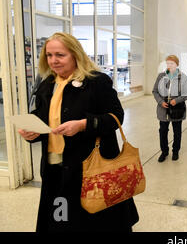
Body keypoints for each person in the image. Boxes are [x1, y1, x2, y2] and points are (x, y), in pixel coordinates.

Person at [18, 32, 139, 232]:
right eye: (49, 55)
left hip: (90, 167)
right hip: (56, 166)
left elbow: (116, 117)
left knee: (94, 219)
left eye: (60, 55)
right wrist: (33, 132)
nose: (53, 61)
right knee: (62, 216)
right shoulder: (47, 85)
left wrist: (83, 124)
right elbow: (42, 118)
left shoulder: (97, 82)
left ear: (75, 54)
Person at [152, 55, 187, 162]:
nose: (169, 65)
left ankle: (175, 151)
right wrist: (160, 102)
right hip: (163, 110)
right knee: (163, 131)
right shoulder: (161, 76)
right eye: (167, 63)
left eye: (172, 63)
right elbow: (155, 91)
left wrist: (176, 100)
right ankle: (164, 151)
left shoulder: (183, 77)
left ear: (177, 64)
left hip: (177, 110)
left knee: (177, 132)